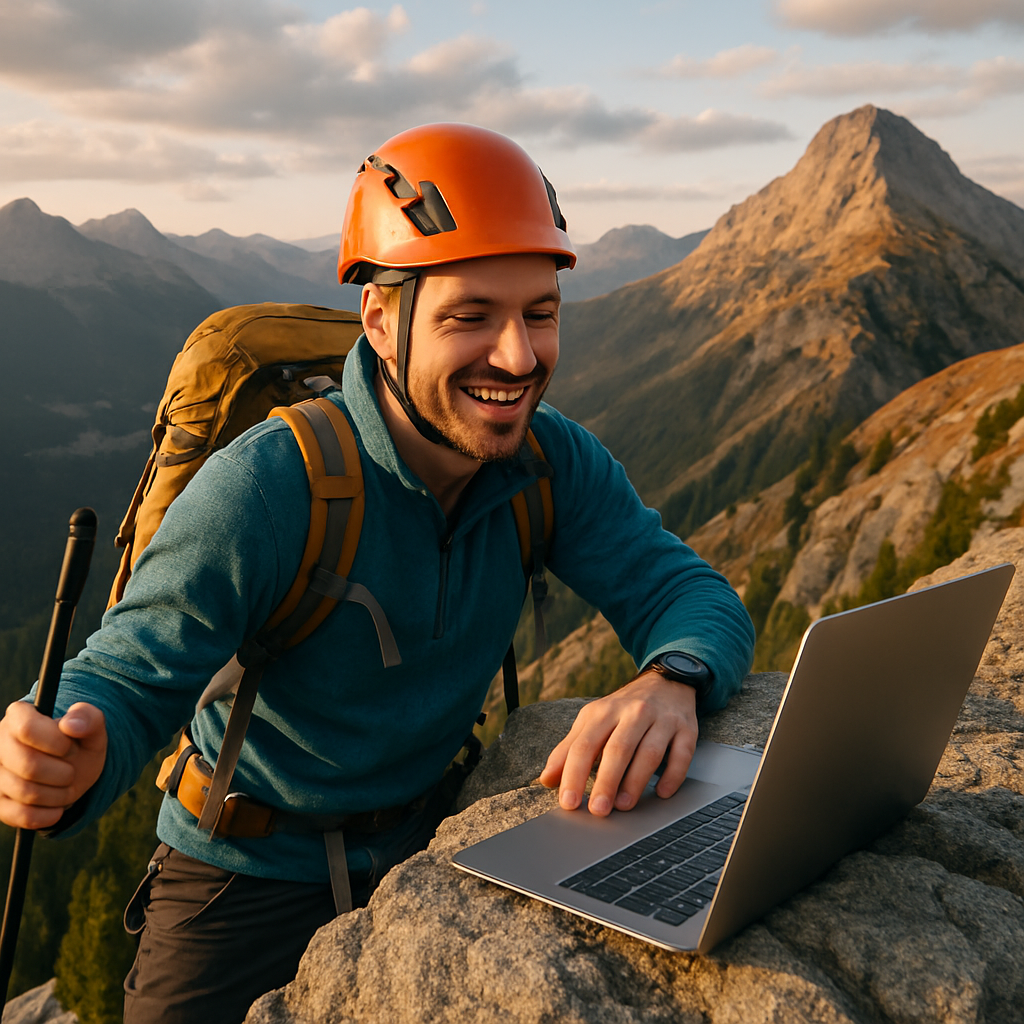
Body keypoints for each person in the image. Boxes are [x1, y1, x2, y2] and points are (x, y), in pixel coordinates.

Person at [0, 124, 754, 1022]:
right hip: (242, 878)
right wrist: (70, 759)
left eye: (540, 313)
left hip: (431, 847)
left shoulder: (551, 465)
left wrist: (671, 680)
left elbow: (690, 593)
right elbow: (126, 678)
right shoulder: (270, 490)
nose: (518, 357)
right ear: (381, 322)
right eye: (471, 316)